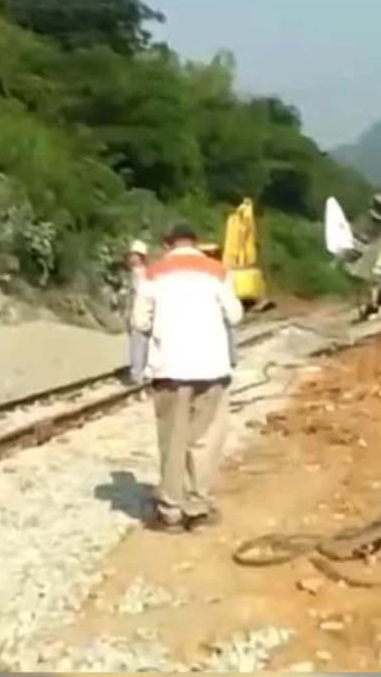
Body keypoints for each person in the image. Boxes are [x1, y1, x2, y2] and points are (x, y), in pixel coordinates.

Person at [131, 222, 243, 532]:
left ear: (168, 244)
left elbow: (139, 322)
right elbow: (235, 315)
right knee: (205, 440)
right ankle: (198, 509)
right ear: (196, 242)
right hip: (211, 368)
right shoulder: (217, 271)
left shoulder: (152, 273)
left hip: (170, 369)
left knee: (173, 440)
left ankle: (170, 513)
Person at [125, 239, 150, 384]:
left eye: (133, 255)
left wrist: (128, 313)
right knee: (143, 345)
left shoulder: (138, 274)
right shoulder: (148, 273)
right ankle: (142, 373)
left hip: (139, 313)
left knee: (138, 345)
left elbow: (134, 296)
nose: (130, 258)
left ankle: (137, 376)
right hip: (145, 314)